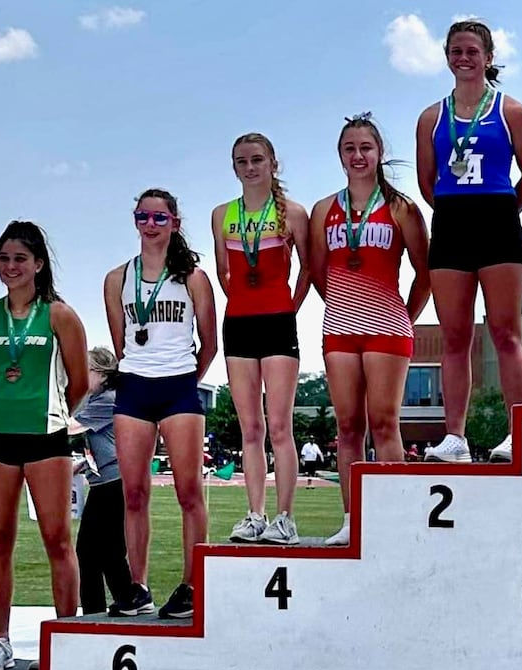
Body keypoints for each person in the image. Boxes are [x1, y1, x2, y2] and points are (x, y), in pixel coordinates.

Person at [416, 19, 522, 464]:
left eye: (473, 51)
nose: (464, 58)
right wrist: (457, 209)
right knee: (455, 337)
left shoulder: (511, 111)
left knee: (507, 332)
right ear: (447, 57)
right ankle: (455, 438)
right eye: (456, 51)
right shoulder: (432, 116)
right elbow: (426, 182)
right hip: (451, 223)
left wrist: (505, 209)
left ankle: (516, 431)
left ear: (489, 57)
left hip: (498, 223)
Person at [0, 221, 90, 670]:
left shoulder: (60, 315)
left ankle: (66, 637)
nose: (11, 267)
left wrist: (52, 410)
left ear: (38, 264)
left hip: (47, 438)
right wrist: (11, 404)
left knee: (57, 540)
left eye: (20, 258)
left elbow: (79, 381)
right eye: (4, 259)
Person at [309, 114, 432, 546]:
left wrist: (404, 315)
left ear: (379, 153)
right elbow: (320, 272)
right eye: (350, 149)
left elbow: (425, 271)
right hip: (340, 327)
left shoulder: (402, 208)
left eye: (366, 148)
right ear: (340, 156)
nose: (358, 156)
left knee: (384, 423)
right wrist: (343, 305)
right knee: (347, 427)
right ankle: (351, 517)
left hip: (388, 327)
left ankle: (395, 516)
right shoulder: (324, 209)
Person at [106, 189, 217, 618]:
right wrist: (141, 368)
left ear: (174, 222)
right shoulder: (118, 278)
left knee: (189, 492)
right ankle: (138, 587)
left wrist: (189, 377)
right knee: (133, 493)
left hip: (179, 386)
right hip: (135, 385)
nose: (150, 225)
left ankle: (192, 584)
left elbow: (210, 341)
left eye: (158, 217)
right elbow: (120, 341)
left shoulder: (193, 278)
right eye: (142, 217)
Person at [212, 134, 312, 543]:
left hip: (278, 320)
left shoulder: (294, 213)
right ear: (234, 168)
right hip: (238, 322)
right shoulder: (222, 214)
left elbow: (308, 269)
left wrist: (290, 307)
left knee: (279, 425)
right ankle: (254, 514)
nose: (250, 168)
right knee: (249, 428)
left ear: (273, 163)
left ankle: (285, 517)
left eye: (257, 160)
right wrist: (242, 301)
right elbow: (224, 272)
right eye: (242, 162)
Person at [65, 347, 137, 616]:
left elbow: (69, 427)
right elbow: (109, 444)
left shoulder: (106, 400)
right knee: (109, 550)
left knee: (89, 551)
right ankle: (126, 598)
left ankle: (101, 608)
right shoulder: (101, 400)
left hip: (111, 483)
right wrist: (82, 465)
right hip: (107, 480)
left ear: (101, 373)